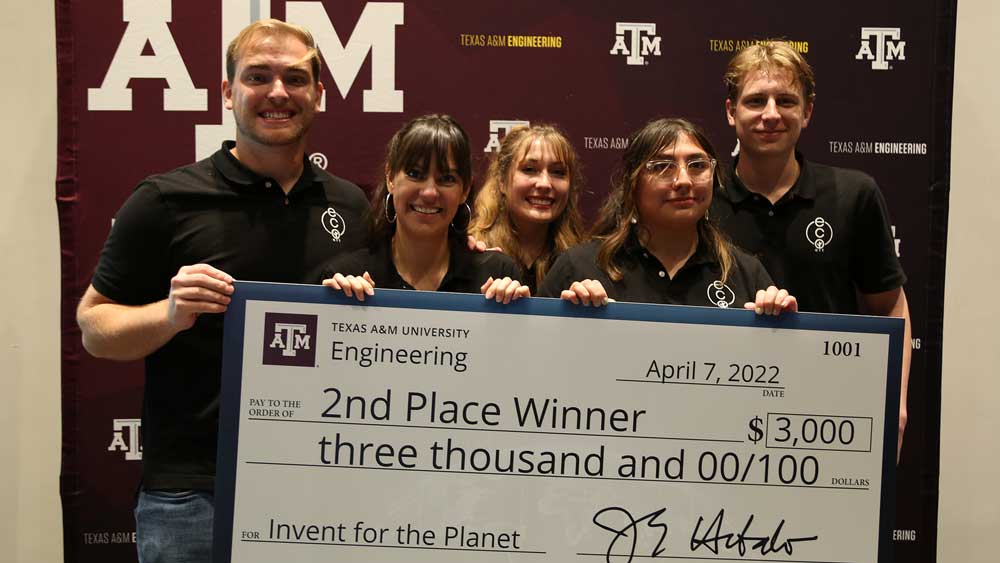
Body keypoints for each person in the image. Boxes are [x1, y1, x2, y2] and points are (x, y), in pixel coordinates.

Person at [75, 19, 370, 562]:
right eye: (258, 77)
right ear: (229, 93)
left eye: (295, 79)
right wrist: (168, 314)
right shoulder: (165, 199)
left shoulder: (352, 206)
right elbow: (95, 328)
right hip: (193, 495)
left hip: (321, 487)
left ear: (320, 96)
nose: (278, 92)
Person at [711, 40, 911, 460]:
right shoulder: (698, 197)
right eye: (755, 101)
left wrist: (895, 402)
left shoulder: (853, 194)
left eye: (786, 100)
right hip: (716, 410)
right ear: (731, 111)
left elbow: (890, 305)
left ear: (807, 111)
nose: (770, 114)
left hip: (829, 411)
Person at [538, 117, 796, 316]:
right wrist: (567, 320)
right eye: (662, 167)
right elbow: (534, 361)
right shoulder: (579, 269)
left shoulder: (747, 275)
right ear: (632, 184)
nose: (684, 180)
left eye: (697, 166)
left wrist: (778, 327)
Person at [321, 114, 529, 303]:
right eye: (415, 174)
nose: (430, 193)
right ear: (391, 178)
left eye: (446, 179)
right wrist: (337, 308)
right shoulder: (348, 277)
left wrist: (514, 313)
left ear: (464, 189)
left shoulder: (496, 274)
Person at [469, 124, 586, 291]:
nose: (545, 184)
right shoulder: (473, 257)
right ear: (502, 181)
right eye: (529, 169)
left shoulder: (583, 264)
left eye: (558, 172)